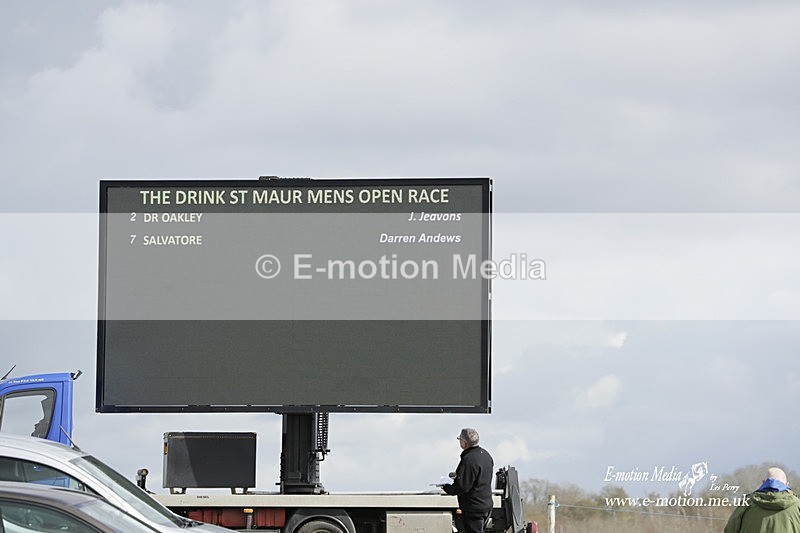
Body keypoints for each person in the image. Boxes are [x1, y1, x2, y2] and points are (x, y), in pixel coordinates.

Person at [442, 428, 494, 533]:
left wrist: (446, 487)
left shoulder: (469, 459)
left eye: (460, 439)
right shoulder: (486, 455)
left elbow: (463, 487)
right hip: (486, 505)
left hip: (473, 508)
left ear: (465, 443)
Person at [724, 467, 800, 533]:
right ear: (787, 484)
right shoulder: (797, 505)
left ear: (763, 482)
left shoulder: (747, 503)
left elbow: (731, 529)